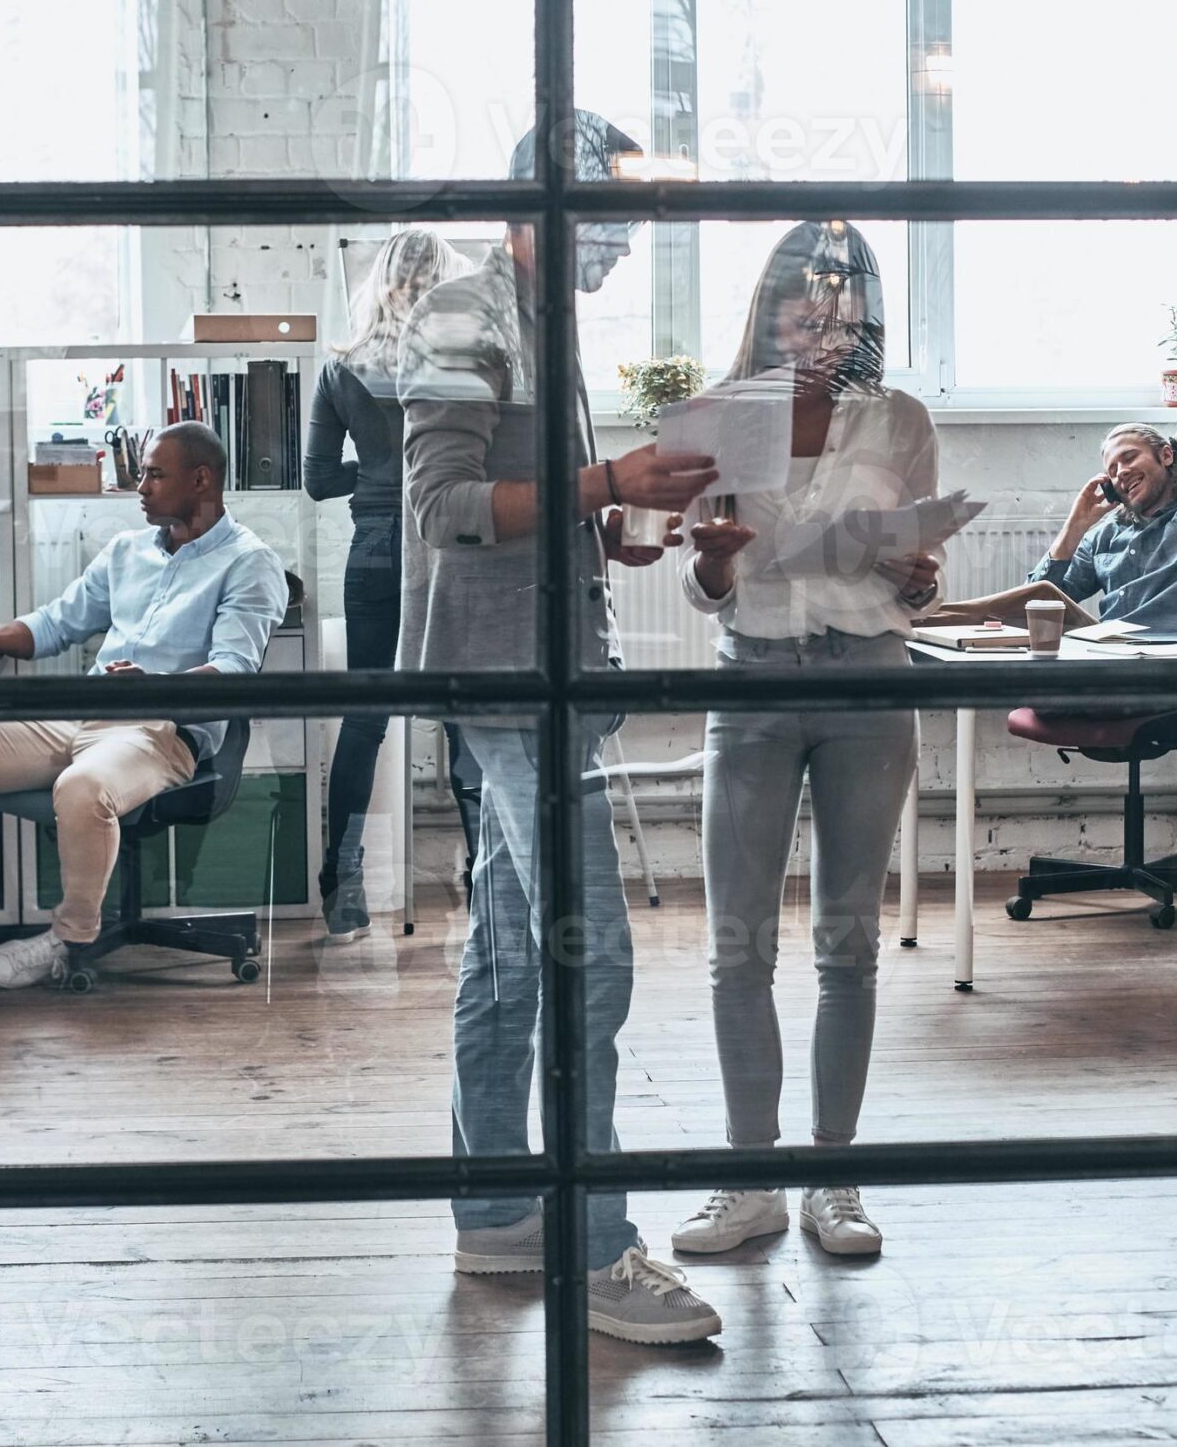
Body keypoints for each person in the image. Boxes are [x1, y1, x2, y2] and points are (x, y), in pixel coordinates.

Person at [399, 110, 726, 1346]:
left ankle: (493, 1208)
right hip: (503, 684)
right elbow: (442, 506)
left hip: (540, 675)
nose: (624, 243)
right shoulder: (466, 312)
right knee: (592, 957)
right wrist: (609, 481)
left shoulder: (544, 324)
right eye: (609, 217)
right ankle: (596, 1247)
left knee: (509, 948)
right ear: (544, 202)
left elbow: (537, 504)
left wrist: (621, 525)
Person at [670, 221, 936, 1263]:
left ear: (864, 315)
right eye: (801, 304)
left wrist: (919, 576)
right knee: (738, 943)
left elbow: (919, 574)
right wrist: (718, 565)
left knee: (848, 944)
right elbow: (699, 589)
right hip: (753, 681)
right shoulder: (720, 415)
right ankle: (748, 1178)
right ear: (770, 307)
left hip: (869, 681)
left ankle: (834, 1175)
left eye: (840, 307)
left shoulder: (898, 418)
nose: (820, 323)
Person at [0, 422, 288, 991]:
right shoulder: (125, 552)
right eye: (141, 472)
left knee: (83, 787)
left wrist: (154, 684)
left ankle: (68, 938)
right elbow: (53, 625)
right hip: (86, 710)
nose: (140, 486)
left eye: (154, 474)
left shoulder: (249, 563)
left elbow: (234, 671)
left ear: (202, 479)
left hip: (161, 730)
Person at [304, 228, 485, 943]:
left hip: (375, 548)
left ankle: (342, 881)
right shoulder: (462, 361)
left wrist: (378, 481)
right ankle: (484, 874)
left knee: (366, 715)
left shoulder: (340, 368)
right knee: (467, 710)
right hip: (452, 546)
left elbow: (318, 481)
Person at [929, 380, 1177, 633]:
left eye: (1129, 458)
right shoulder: (1107, 536)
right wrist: (1074, 528)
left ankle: (917, 630)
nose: (1121, 472)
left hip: (1164, 664)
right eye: (1112, 470)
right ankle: (918, 626)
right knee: (1042, 597)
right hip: (1102, 654)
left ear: (1164, 456)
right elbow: (1032, 608)